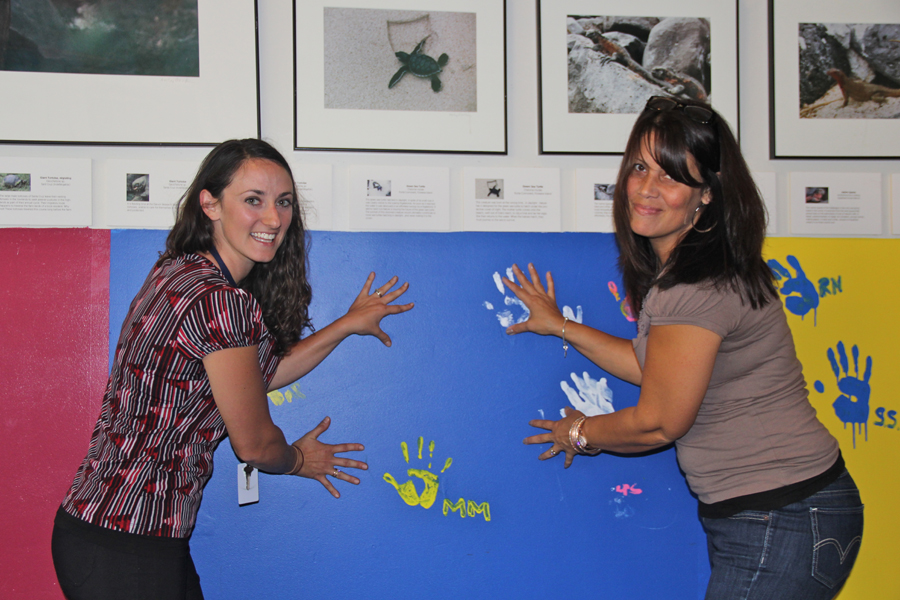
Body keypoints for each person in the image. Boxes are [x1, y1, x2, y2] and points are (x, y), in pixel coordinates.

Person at [503, 97, 863, 600]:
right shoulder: (700, 273)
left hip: (782, 514)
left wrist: (578, 431)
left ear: (707, 194)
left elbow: (660, 420)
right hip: (790, 510)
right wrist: (562, 326)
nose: (646, 189)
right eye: (639, 168)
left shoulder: (693, 289)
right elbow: (653, 366)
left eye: (671, 177)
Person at [51, 139, 414, 600]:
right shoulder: (221, 300)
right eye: (253, 200)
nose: (273, 219)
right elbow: (257, 447)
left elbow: (254, 376)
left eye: (284, 202)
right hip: (128, 542)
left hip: (112, 530)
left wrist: (345, 325)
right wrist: (299, 460)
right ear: (210, 203)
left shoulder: (178, 272)